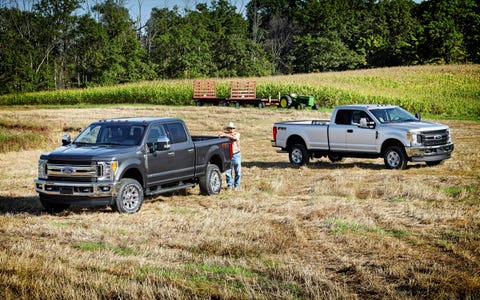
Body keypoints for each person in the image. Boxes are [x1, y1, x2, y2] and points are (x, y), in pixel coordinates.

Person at [220, 122, 241, 189]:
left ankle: (236, 185)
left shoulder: (237, 134)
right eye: (229, 128)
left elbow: (234, 138)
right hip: (228, 155)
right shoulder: (225, 135)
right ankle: (230, 185)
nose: (231, 129)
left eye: (232, 128)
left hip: (236, 154)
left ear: (234, 129)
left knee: (238, 171)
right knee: (228, 172)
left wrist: (225, 135)